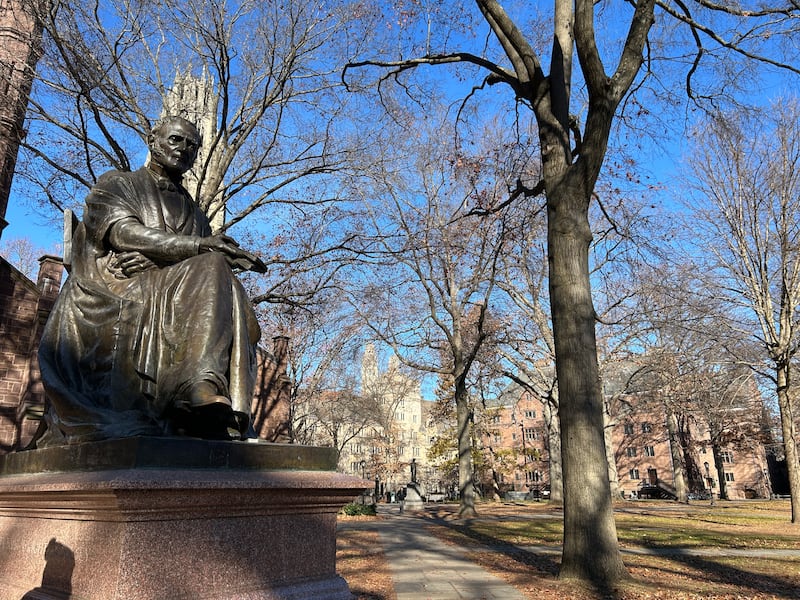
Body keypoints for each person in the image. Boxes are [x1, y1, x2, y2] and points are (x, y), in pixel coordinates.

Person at [36, 116, 265, 445]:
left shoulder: (197, 215)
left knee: (226, 280)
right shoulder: (117, 184)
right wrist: (193, 248)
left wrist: (169, 257)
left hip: (173, 295)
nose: (184, 150)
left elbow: (198, 266)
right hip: (114, 286)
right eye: (176, 140)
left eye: (192, 146)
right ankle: (197, 387)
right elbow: (122, 233)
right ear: (152, 140)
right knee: (212, 262)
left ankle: (201, 390)